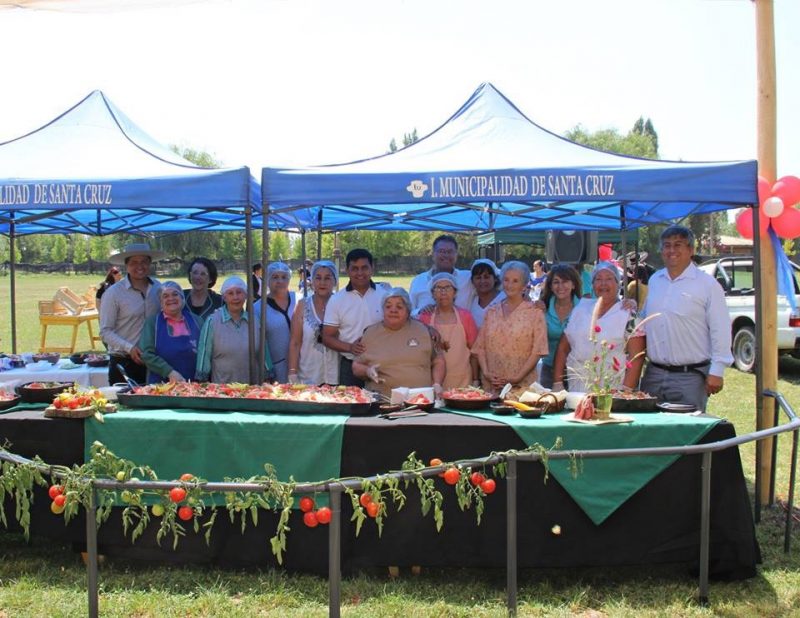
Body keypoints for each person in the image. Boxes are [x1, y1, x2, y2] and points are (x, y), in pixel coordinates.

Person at [640, 225, 732, 411]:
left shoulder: (707, 285)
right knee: (648, 426)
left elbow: (720, 328)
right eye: (667, 245)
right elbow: (646, 320)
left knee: (686, 427)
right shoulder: (655, 280)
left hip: (689, 377)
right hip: (654, 374)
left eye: (678, 245)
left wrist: (717, 370)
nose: (671, 250)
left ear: (691, 250)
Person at [552, 261, 644, 393]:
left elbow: (636, 356)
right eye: (598, 279)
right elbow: (563, 347)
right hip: (578, 388)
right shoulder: (580, 309)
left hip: (611, 390)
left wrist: (625, 391)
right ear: (593, 284)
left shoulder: (629, 315)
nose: (603, 284)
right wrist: (557, 383)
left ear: (618, 284)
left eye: (609, 279)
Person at [352, 288, 445, 397]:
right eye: (388, 306)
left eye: (399, 307)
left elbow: (438, 361)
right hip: (381, 400)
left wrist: (437, 383)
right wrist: (368, 371)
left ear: (408, 311)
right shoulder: (370, 333)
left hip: (420, 399)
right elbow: (356, 365)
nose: (393, 310)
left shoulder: (424, 330)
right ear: (382, 310)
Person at [472, 261, 548, 392]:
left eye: (515, 281)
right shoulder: (492, 311)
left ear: (524, 285)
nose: (509, 285)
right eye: (506, 280)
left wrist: (517, 378)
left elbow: (538, 351)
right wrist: (486, 373)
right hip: (492, 384)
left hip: (521, 386)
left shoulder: (535, 313)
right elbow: (480, 347)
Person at [100, 243, 165, 385]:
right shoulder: (113, 293)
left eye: (144, 262)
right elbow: (105, 332)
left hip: (153, 362)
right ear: (126, 265)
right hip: (123, 361)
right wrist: (129, 348)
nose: (139, 266)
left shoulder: (159, 288)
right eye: (134, 262)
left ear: (150, 263)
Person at [322, 249, 388, 387]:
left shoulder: (385, 295)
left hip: (383, 363)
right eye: (354, 268)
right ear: (347, 270)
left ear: (372, 268)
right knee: (351, 400)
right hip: (350, 366)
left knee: (384, 400)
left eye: (364, 268)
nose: (360, 273)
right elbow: (327, 337)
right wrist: (350, 347)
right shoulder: (336, 300)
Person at [196, 276, 272, 384]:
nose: (235, 297)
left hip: (252, 387)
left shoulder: (254, 321)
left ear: (245, 295)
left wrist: (268, 376)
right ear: (224, 297)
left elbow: (264, 353)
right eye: (230, 293)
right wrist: (202, 381)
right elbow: (204, 355)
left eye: (239, 292)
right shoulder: (212, 322)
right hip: (223, 387)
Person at [418, 272, 479, 389]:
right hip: (434, 381)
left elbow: (475, 351)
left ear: (455, 292)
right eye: (438, 288)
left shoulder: (465, 316)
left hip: (463, 380)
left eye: (447, 288)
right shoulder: (425, 317)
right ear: (432, 293)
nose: (443, 292)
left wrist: (476, 380)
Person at [139, 281, 203, 383]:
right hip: (161, 385)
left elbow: (206, 351)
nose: (171, 298)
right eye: (165, 296)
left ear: (182, 297)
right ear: (160, 302)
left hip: (193, 384)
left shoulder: (197, 321)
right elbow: (146, 354)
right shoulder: (152, 323)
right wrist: (169, 372)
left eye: (175, 294)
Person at [287, 260, 340, 385]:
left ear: (335, 281)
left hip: (336, 376)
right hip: (308, 376)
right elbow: (295, 342)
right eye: (318, 278)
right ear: (312, 281)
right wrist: (292, 373)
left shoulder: (342, 304)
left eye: (327, 278)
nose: (322, 282)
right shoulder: (302, 306)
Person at [535, 264, 582, 389]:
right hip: (549, 369)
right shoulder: (542, 308)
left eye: (565, 281)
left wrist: (628, 303)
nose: (560, 286)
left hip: (578, 371)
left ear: (573, 285)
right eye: (556, 282)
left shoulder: (584, 309)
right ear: (550, 286)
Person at [253, 262, 297, 384]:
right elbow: (258, 343)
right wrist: (267, 371)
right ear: (267, 280)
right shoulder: (258, 308)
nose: (280, 281)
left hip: (303, 365)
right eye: (275, 277)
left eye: (284, 277)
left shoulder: (299, 300)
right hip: (276, 368)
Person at [409, 235, 473, 314]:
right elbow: (408, 311)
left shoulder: (468, 278)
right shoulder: (418, 281)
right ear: (433, 254)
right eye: (441, 251)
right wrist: (420, 311)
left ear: (456, 255)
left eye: (450, 252)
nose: (446, 255)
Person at [467, 258, 505, 329]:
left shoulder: (504, 299)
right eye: (478, 278)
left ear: (495, 279)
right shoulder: (471, 302)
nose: (482, 281)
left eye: (486, 277)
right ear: (472, 281)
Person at [183, 257, 223, 321]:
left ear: (210, 279)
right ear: (190, 275)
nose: (198, 277)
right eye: (195, 273)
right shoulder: (179, 298)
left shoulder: (220, 302)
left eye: (203, 274)